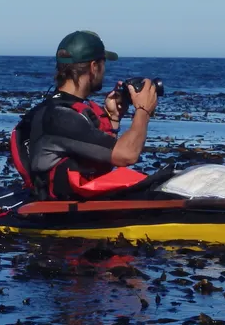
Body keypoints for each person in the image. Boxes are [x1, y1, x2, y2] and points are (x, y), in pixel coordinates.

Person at [10, 30, 159, 200]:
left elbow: (102, 158)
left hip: (69, 203)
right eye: (103, 64)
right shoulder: (61, 117)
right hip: (61, 212)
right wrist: (143, 110)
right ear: (94, 67)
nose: (104, 71)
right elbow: (127, 155)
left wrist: (113, 117)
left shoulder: (57, 109)